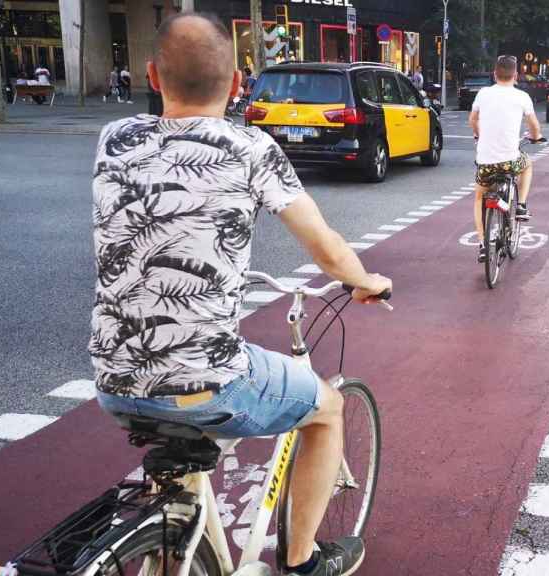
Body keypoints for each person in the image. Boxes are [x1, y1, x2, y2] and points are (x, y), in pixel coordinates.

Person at [90, 13, 390, 575]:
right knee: (328, 409)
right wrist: (364, 280)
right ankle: (304, 561)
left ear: (153, 77)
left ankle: (174, 539)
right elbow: (325, 248)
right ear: (236, 86)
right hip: (206, 379)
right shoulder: (251, 147)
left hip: (112, 379)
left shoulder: (115, 138)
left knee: (176, 448)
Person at [468, 55, 542, 263]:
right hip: (510, 161)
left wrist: (479, 134)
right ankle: (521, 206)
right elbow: (534, 126)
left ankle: (483, 244)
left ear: (494, 74)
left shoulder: (483, 94)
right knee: (527, 164)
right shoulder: (522, 97)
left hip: (485, 163)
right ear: (516, 75)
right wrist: (536, 137)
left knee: (479, 198)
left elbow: (472, 119)